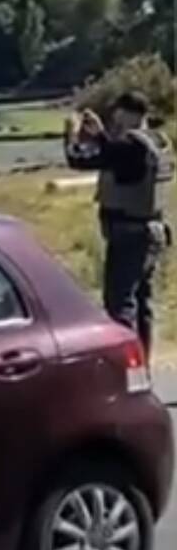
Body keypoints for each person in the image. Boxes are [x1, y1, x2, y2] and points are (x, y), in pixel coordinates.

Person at [65, 90, 175, 357]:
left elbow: (80, 161)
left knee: (119, 305)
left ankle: (127, 369)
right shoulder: (158, 142)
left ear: (126, 113)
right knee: (142, 303)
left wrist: (70, 136)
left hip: (129, 234)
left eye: (117, 113)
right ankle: (142, 366)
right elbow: (117, 158)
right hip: (153, 230)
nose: (115, 118)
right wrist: (101, 137)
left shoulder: (131, 146)